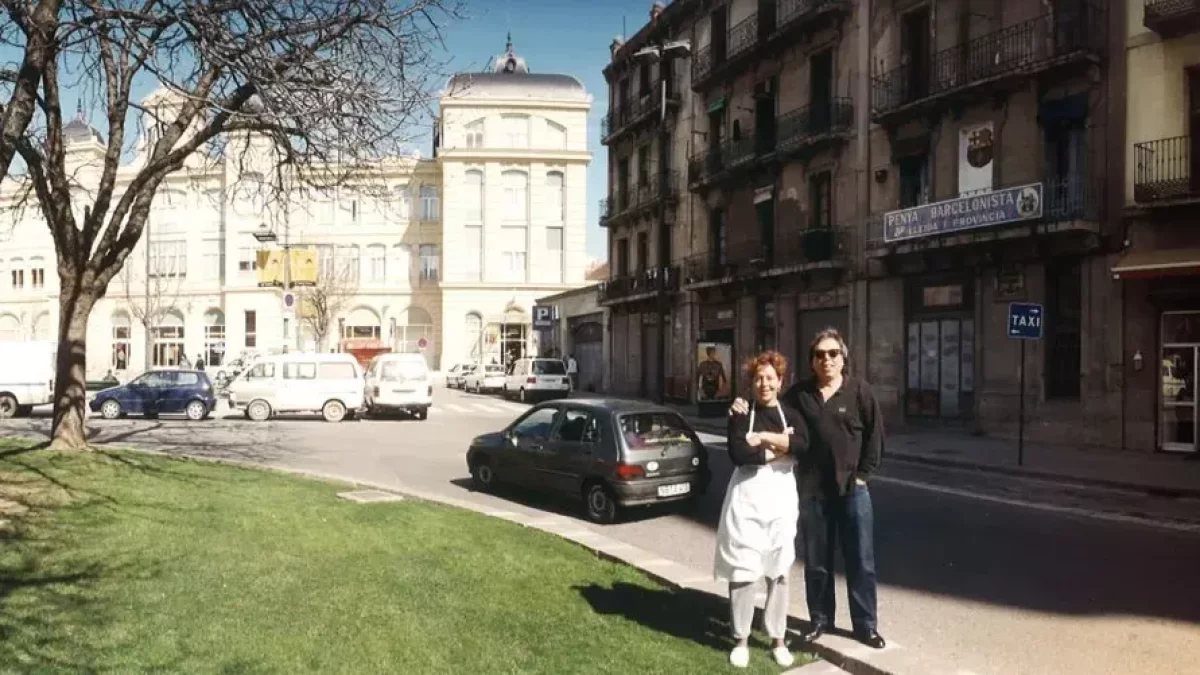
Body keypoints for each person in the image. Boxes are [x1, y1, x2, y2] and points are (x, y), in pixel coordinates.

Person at [731, 328, 886, 649]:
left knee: (861, 562)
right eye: (819, 355)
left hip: (852, 491)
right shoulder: (800, 395)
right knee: (817, 562)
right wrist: (740, 404)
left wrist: (863, 476)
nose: (826, 359)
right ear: (812, 361)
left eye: (832, 354)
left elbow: (875, 438)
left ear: (843, 359)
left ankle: (865, 625)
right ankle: (820, 621)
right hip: (813, 491)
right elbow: (767, 401)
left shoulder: (860, 391)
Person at [715, 351, 808, 669]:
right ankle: (740, 639)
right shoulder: (740, 414)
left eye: (770, 378)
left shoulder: (792, 415)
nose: (765, 383)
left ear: (780, 382)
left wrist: (765, 438)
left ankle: (777, 638)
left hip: (781, 499)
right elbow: (739, 452)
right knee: (743, 570)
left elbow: (803, 445)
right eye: (759, 378)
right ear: (751, 383)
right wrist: (778, 451)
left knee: (778, 569)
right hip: (747, 497)